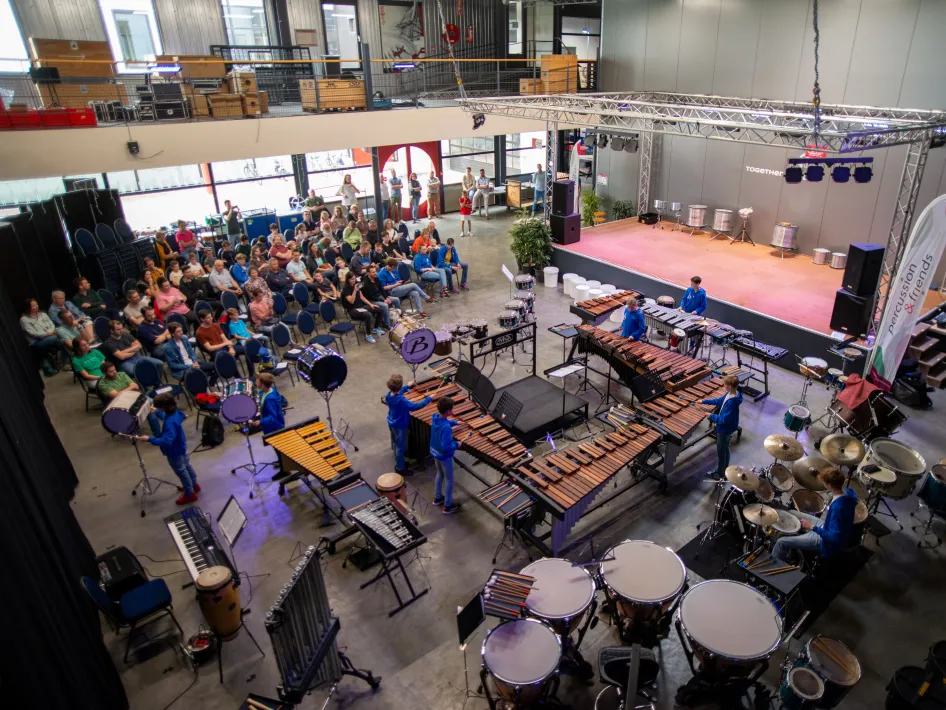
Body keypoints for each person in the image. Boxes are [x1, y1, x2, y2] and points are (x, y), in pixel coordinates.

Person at [773, 468, 858, 565]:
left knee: (781, 542)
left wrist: (812, 527)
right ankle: (794, 544)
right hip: (825, 526)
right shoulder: (847, 492)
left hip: (824, 542)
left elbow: (834, 537)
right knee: (792, 512)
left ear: (829, 485)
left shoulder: (838, 508)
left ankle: (773, 570)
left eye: (824, 482)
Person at [135, 393, 200, 505]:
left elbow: (166, 441)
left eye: (158, 407)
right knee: (187, 466)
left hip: (174, 451)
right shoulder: (175, 413)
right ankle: (194, 485)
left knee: (181, 471)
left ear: (163, 408)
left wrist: (149, 439)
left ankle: (190, 494)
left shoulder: (170, 422)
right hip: (181, 446)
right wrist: (156, 411)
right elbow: (173, 417)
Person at [385, 374, 430, 474]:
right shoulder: (401, 400)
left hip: (391, 421)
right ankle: (400, 468)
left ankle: (399, 461)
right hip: (400, 425)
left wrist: (407, 386)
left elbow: (398, 392)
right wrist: (428, 399)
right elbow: (415, 406)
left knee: (396, 444)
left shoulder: (388, 395)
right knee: (400, 447)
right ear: (399, 387)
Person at [703, 375, 743, 480]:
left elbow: (724, 420)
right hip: (728, 427)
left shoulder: (732, 402)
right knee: (725, 448)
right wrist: (704, 402)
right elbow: (719, 401)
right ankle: (726, 467)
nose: (723, 385)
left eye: (725, 384)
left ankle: (719, 473)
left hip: (725, 429)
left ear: (729, 386)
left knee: (721, 451)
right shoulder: (733, 394)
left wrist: (711, 416)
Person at [431, 396, 462, 514]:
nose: (452, 411)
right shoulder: (446, 428)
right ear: (448, 411)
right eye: (452, 409)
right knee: (449, 480)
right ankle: (448, 506)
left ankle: (437, 498)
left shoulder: (435, 418)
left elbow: (445, 422)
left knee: (439, 474)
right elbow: (446, 446)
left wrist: (455, 422)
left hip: (435, 452)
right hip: (444, 456)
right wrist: (457, 444)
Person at [340, 271, 383, 342]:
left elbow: (362, 297)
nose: (354, 280)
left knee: (379, 309)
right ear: (348, 280)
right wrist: (354, 290)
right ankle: (368, 335)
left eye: (354, 278)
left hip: (361, 307)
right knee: (368, 315)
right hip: (353, 310)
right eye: (352, 279)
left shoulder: (356, 285)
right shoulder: (346, 289)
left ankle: (375, 328)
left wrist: (370, 304)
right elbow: (351, 301)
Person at [20, 298, 61, 374]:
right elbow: (33, 333)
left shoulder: (43, 314)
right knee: (58, 338)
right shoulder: (24, 319)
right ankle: (66, 360)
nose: (36, 306)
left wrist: (51, 332)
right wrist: (48, 334)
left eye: (36, 304)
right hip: (37, 341)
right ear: (28, 308)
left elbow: (51, 324)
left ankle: (66, 359)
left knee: (62, 337)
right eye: (33, 305)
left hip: (50, 336)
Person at [361, 264, 397, 329]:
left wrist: (386, 297)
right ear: (368, 273)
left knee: (396, 299)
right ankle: (387, 324)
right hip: (372, 300)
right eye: (373, 272)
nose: (375, 273)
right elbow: (371, 296)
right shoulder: (366, 283)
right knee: (385, 305)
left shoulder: (376, 278)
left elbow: (381, 289)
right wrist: (384, 300)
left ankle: (397, 317)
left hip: (379, 296)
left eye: (375, 271)